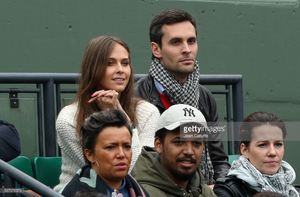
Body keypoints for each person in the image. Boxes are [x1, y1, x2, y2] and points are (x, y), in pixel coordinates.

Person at [54, 35, 160, 191]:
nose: (120, 70)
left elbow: (141, 170)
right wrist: (119, 118)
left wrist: (119, 115)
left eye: (125, 63)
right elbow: (125, 171)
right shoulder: (68, 118)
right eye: (110, 63)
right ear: (93, 68)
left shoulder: (148, 111)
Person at [135, 8, 229, 184]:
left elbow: (219, 160)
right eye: (176, 42)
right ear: (156, 49)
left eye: (191, 41)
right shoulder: (138, 97)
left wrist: (219, 190)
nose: (187, 49)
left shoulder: (204, 97)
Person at [131, 104, 216, 197]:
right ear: (158, 145)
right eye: (179, 142)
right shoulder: (140, 193)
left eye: (196, 143)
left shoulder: (203, 190)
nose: (189, 151)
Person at [61, 110, 148, 197]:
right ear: (90, 154)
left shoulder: (139, 191)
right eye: (110, 147)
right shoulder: (75, 193)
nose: (121, 154)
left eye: (127, 146)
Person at [213, 112, 299, 197]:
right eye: (262, 145)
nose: (272, 152)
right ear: (244, 150)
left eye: (278, 144)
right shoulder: (227, 191)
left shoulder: (294, 191)